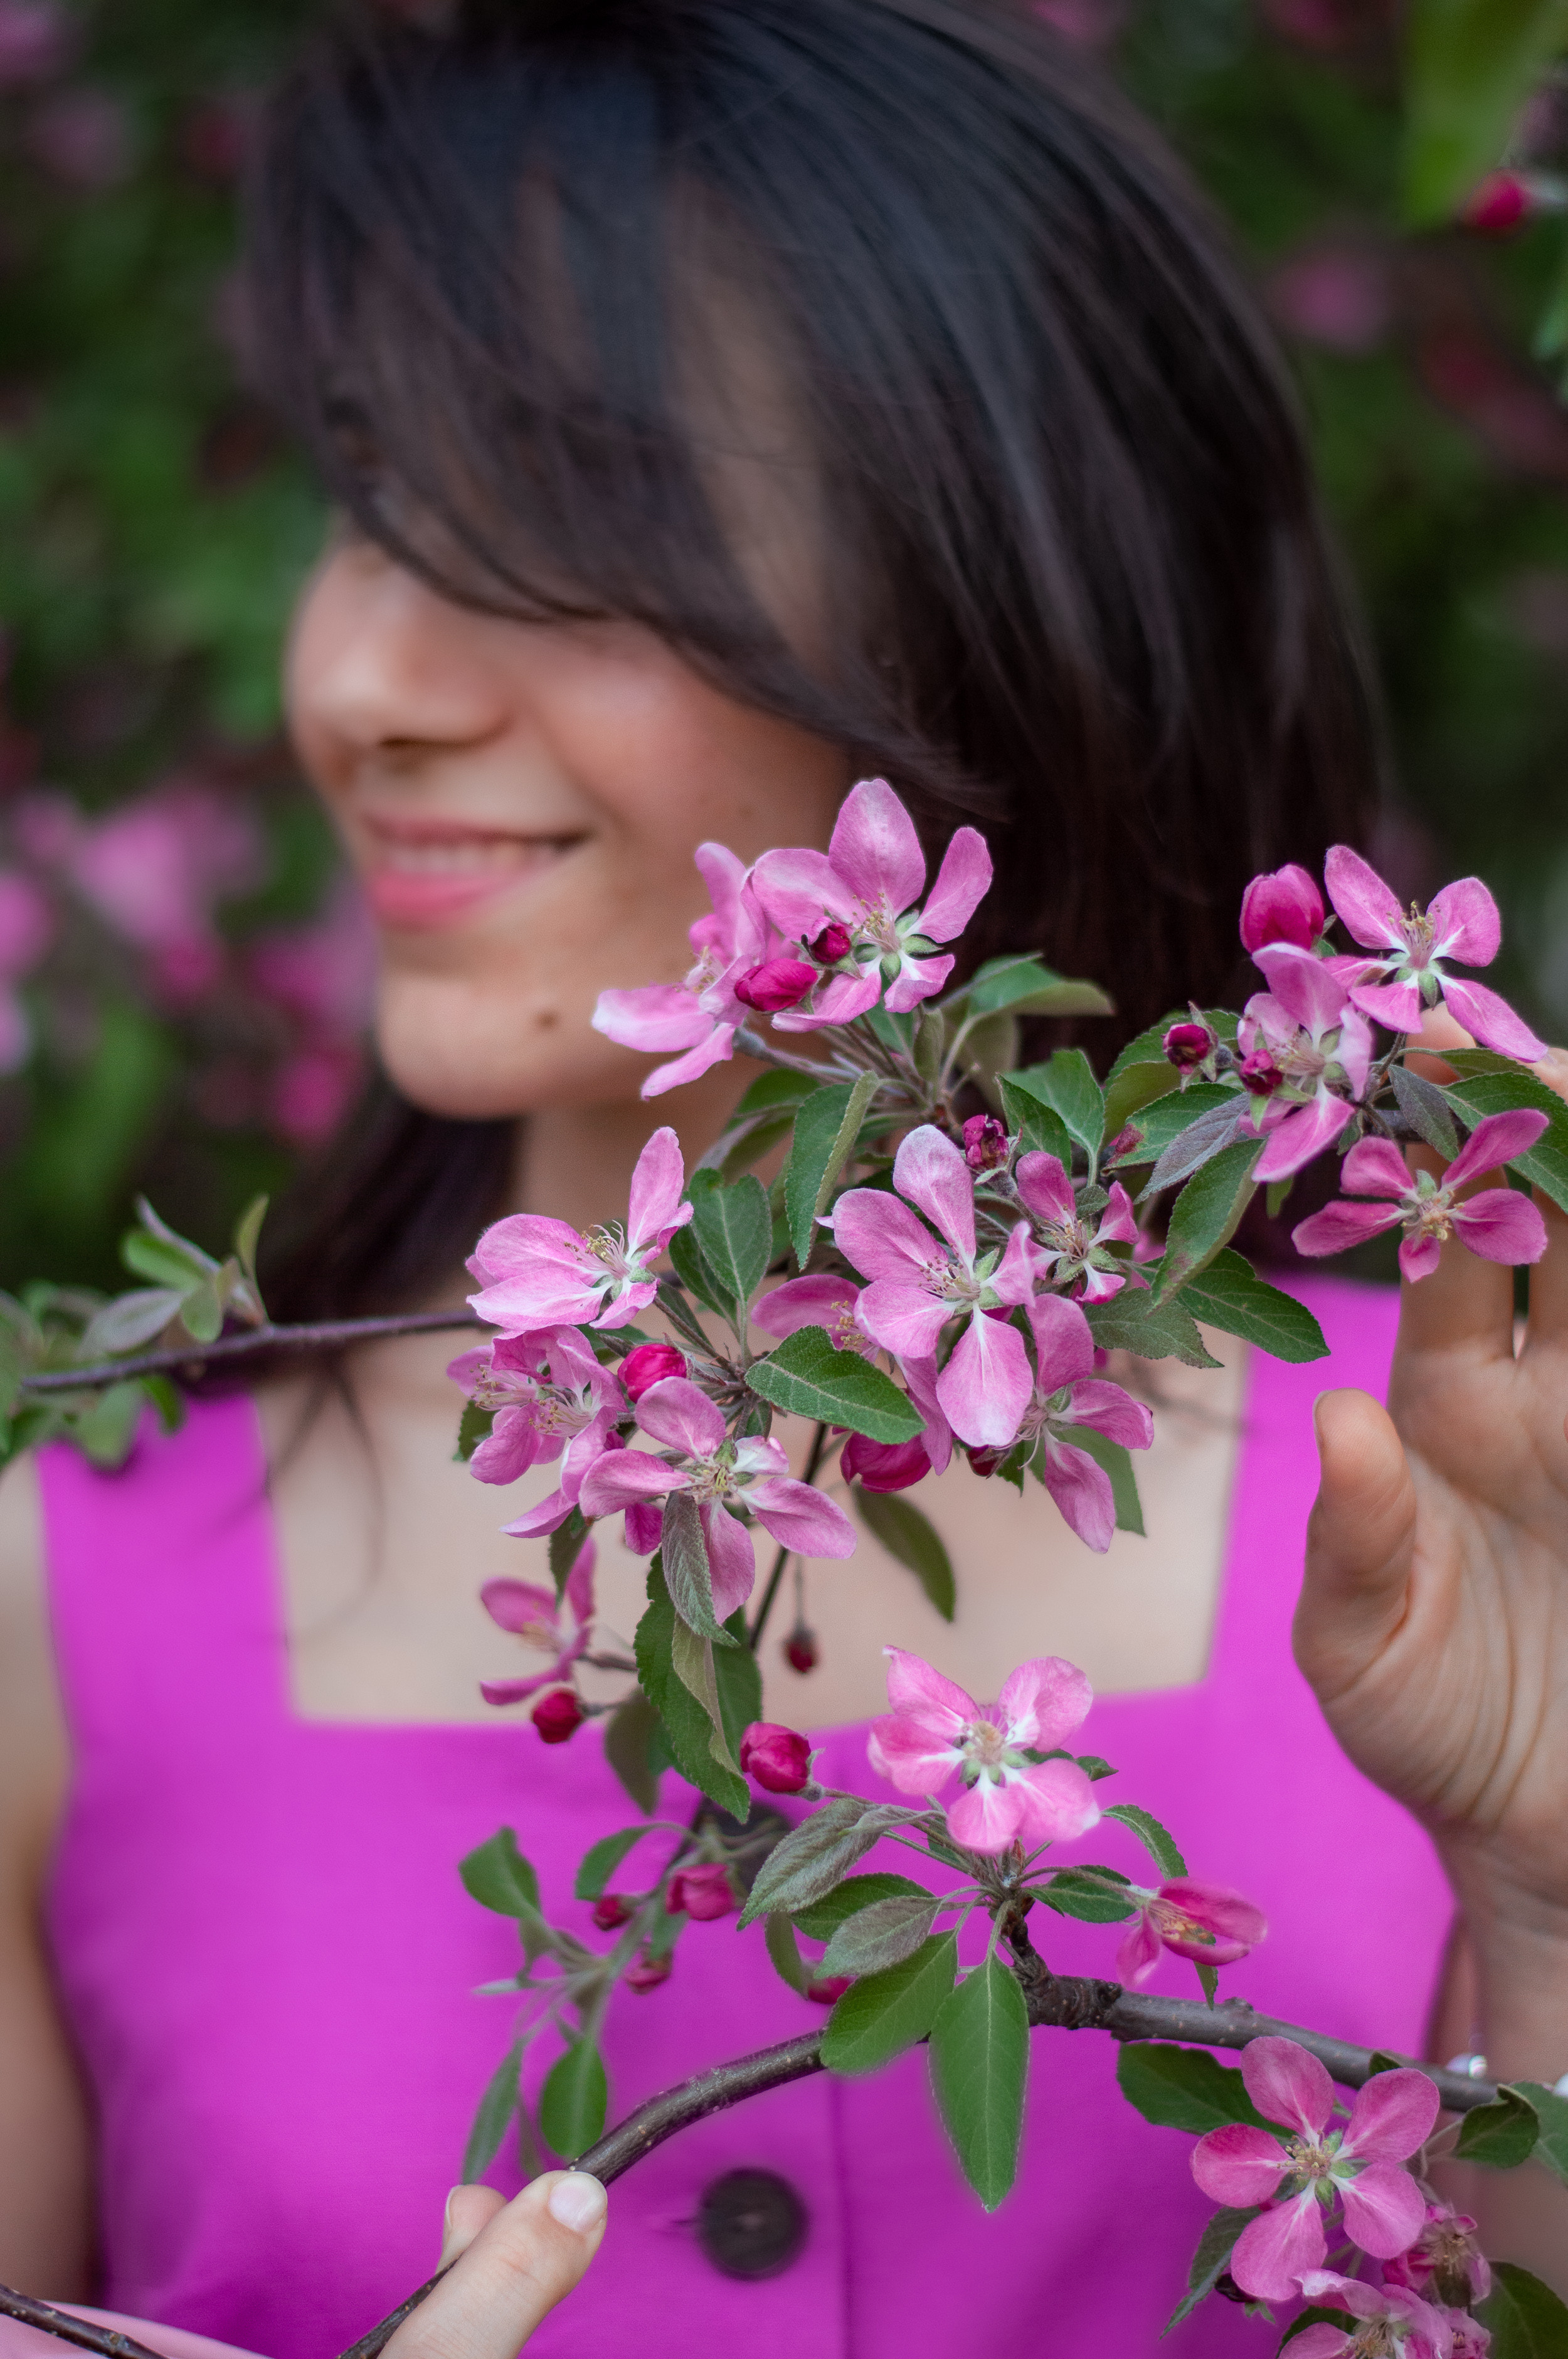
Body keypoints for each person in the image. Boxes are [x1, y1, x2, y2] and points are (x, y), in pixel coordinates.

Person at [1, 1, 1565, 2353]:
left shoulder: (1467, 1513)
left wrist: (1546, 1896)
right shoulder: (61, 1586)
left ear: (994, 585)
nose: (355, 682)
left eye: (544, 527)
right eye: (364, 493)